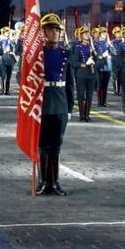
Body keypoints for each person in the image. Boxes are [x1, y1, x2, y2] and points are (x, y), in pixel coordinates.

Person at [36, 13, 75, 196]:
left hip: (59, 102)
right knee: (43, 144)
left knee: (56, 145)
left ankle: (55, 182)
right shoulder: (36, 55)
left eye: (58, 30)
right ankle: (44, 181)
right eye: (52, 29)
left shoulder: (66, 54)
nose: (56, 33)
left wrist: (70, 107)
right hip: (42, 102)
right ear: (43, 32)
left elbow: (69, 83)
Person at [70, 26, 97, 122]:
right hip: (81, 74)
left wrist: (94, 51)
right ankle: (82, 115)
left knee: (89, 96)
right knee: (81, 95)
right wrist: (85, 64)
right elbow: (74, 63)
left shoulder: (92, 47)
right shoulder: (78, 48)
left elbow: (97, 59)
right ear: (81, 36)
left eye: (88, 33)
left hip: (91, 75)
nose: (87, 35)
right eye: (85, 34)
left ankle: (87, 115)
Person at [94, 26, 113, 107]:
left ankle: (104, 101)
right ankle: (99, 101)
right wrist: (102, 55)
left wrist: (109, 44)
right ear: (100, 34)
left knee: (105, 85)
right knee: (100, 84)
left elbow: (114, 52)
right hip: (99, 66)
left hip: (107, 67)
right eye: (103, 33)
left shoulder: (108, 44)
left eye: (105, 33)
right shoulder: (96, 44)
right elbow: (96, 55)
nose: (105, 34)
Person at [0, 26, 17, 95]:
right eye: (6, 32)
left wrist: (12, 41)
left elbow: (15, 49)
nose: (8, 33)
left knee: (9, 76)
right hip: (3, 59)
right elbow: (0, 50)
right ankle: (3, 90)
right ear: (4, 33)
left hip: (10, 59)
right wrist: (5, 49)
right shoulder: (1, 41)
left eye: (8, 32)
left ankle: (7, 90)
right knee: (3, 76)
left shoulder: (11, 41)